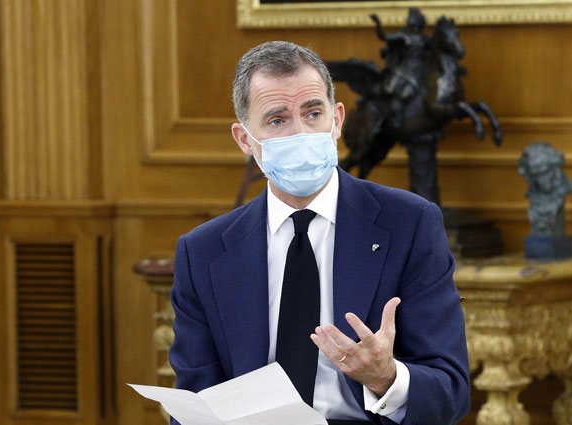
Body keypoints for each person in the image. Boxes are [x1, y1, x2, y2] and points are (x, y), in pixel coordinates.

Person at [169, 41, 470, 425]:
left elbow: (451, 391)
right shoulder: (202, 252)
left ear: (338, 120)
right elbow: (196, 400)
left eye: (313, 113)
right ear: (245, 139)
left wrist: (386, 378)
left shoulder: (409, 224)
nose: (301, 132)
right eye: (278, 120)